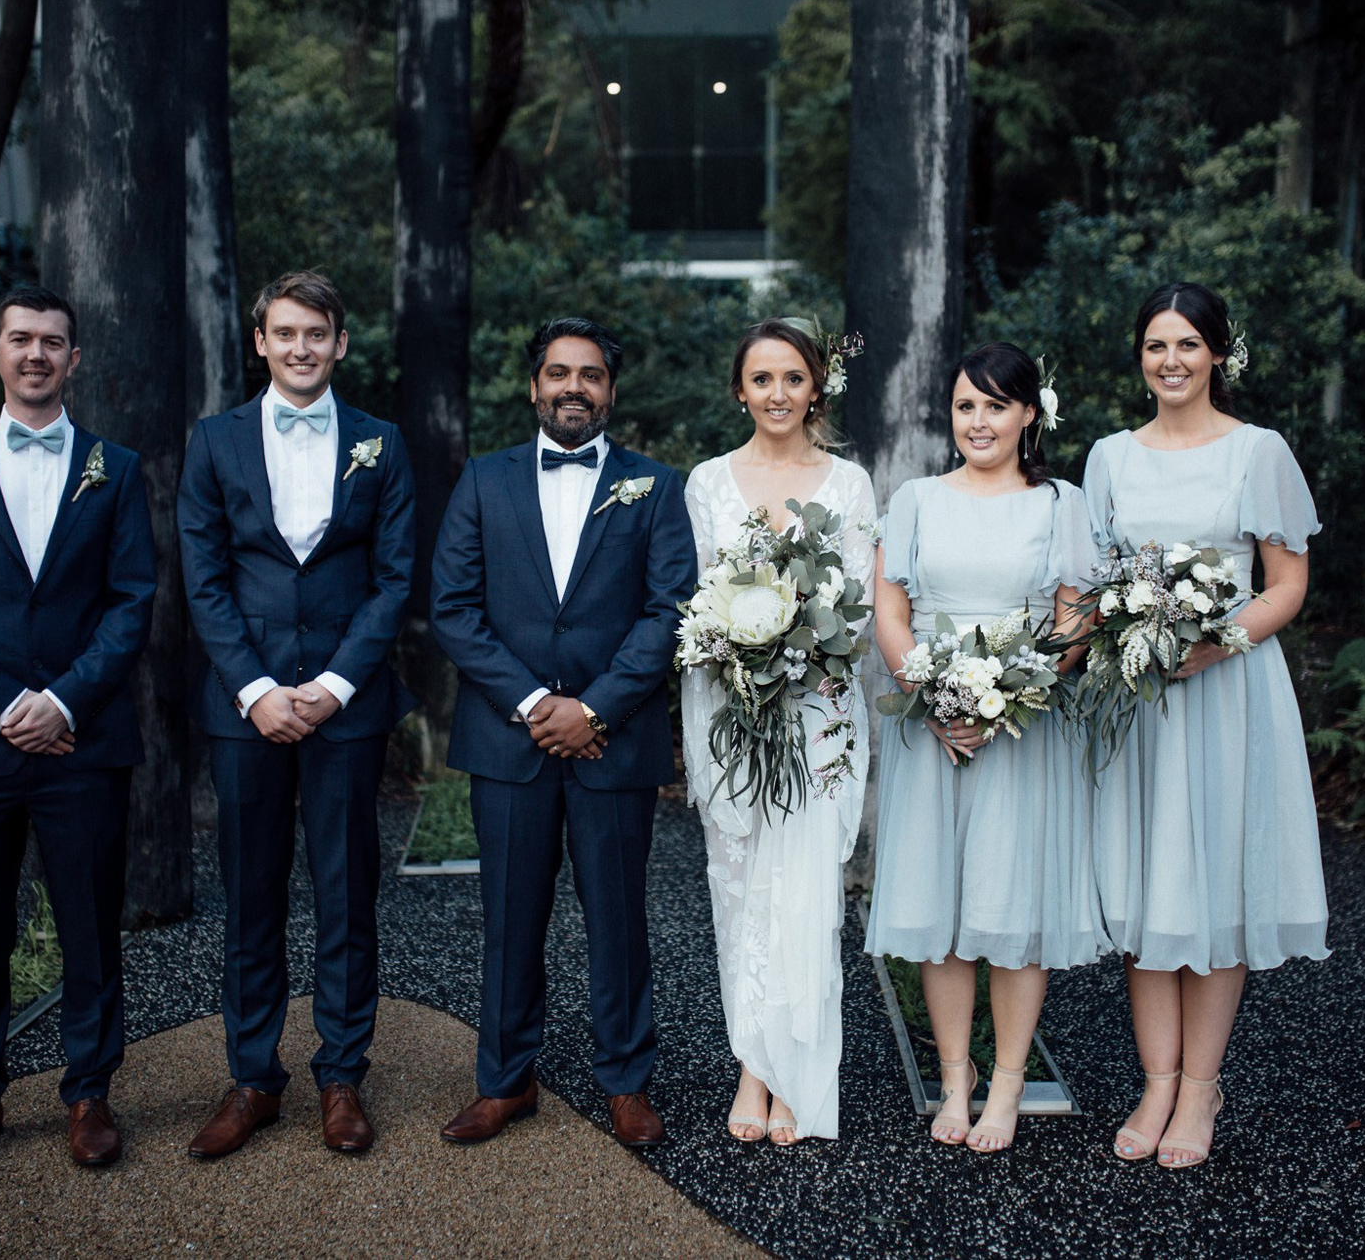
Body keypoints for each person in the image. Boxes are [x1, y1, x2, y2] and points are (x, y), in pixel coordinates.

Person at [0, 286, 156, 1174]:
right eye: (21, 339)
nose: (37, 354)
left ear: (74, 359)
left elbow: (131, 602)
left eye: (53, 342)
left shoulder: (115, 468)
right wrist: (6, 702)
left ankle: (90, 1093)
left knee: (90, 925)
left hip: (83, 742)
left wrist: (63, 703)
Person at [430, 317, 695, 1148]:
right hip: (509, 742)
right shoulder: (484, 479)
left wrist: (595, 709)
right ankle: (505, 1080)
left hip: (615, 739)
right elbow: (454, 608)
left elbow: (668, 610)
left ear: (611, 391)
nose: (573, 387)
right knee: (510, 916)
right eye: (558, 372)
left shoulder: (655, 485)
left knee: (618, 917)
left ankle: (626, 1081)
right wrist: (536, 703)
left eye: (590, 374)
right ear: (533, 386)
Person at [1083, 281, 1328, 1168]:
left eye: (1188, 343)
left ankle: (1200, 1088)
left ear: (1219, 353)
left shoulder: (1258, 451)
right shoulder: (1110, 457)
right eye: (1157, 345)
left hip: (1230, 693)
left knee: (1218, 879)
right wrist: (1126, 633)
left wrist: (1213, 642)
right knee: (1147, 880)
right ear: (1140, 357)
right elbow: (1091, 582)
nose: (1172, 360)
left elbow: (1287, 585)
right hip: (1140, 695)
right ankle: (1156, 1081)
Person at [177, 271, 416, 1157]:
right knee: (251, 894)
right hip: (246, 709)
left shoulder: (382, 442)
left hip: (346, 707)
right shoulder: (214, 440)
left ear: (340, 343)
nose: (301, 347)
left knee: (347, 893)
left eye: (317, 333)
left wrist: (337, 684)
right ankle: (252, 1078)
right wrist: (256, 689)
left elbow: (394, 577)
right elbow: (204, 577)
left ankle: (342, 1075)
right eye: (285, 332)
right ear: (261, 342)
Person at [864, 342, 1106, 1153]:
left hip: (1023, 729)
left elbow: (1074, 618)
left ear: (1028, 414)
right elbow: (890, 611)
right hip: (931, 725)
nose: (978, 421)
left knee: (1012, 906)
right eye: (966, 405)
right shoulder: (916, 499)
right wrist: (936, 698)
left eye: (996, 406)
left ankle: (1007, 1082)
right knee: (940, 905)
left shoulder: (1060, 504)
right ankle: (954, 1078)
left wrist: (1009, 694)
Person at [680, 317, 877, 1144]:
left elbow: (857, 605)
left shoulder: (849, 483)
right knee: (738, 887)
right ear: (740, 390)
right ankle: (750, 1068)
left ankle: (795, 1070)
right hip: (730, 708)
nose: (778, 393)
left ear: (816, 387)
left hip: (817, 709)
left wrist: (797, 646)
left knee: (803, 892)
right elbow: (699, 599)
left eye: (793, 378)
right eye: (762, 378)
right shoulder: (708, 483)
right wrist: (740, 650)